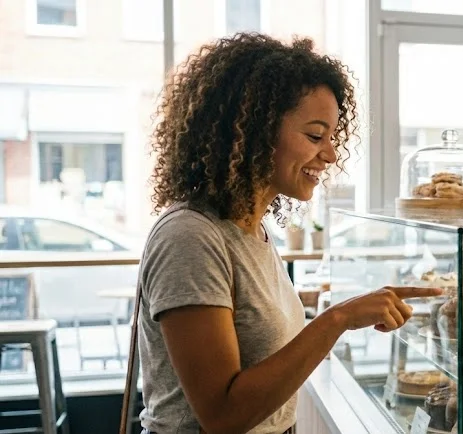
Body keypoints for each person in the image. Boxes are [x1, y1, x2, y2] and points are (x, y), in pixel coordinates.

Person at [136, 34, 442, 434]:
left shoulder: (252, 231)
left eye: (332, 137)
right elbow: (223, 416)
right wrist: (338, 319)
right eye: (315, 136)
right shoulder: (190, 237)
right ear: (252, 133)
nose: (331, 154)